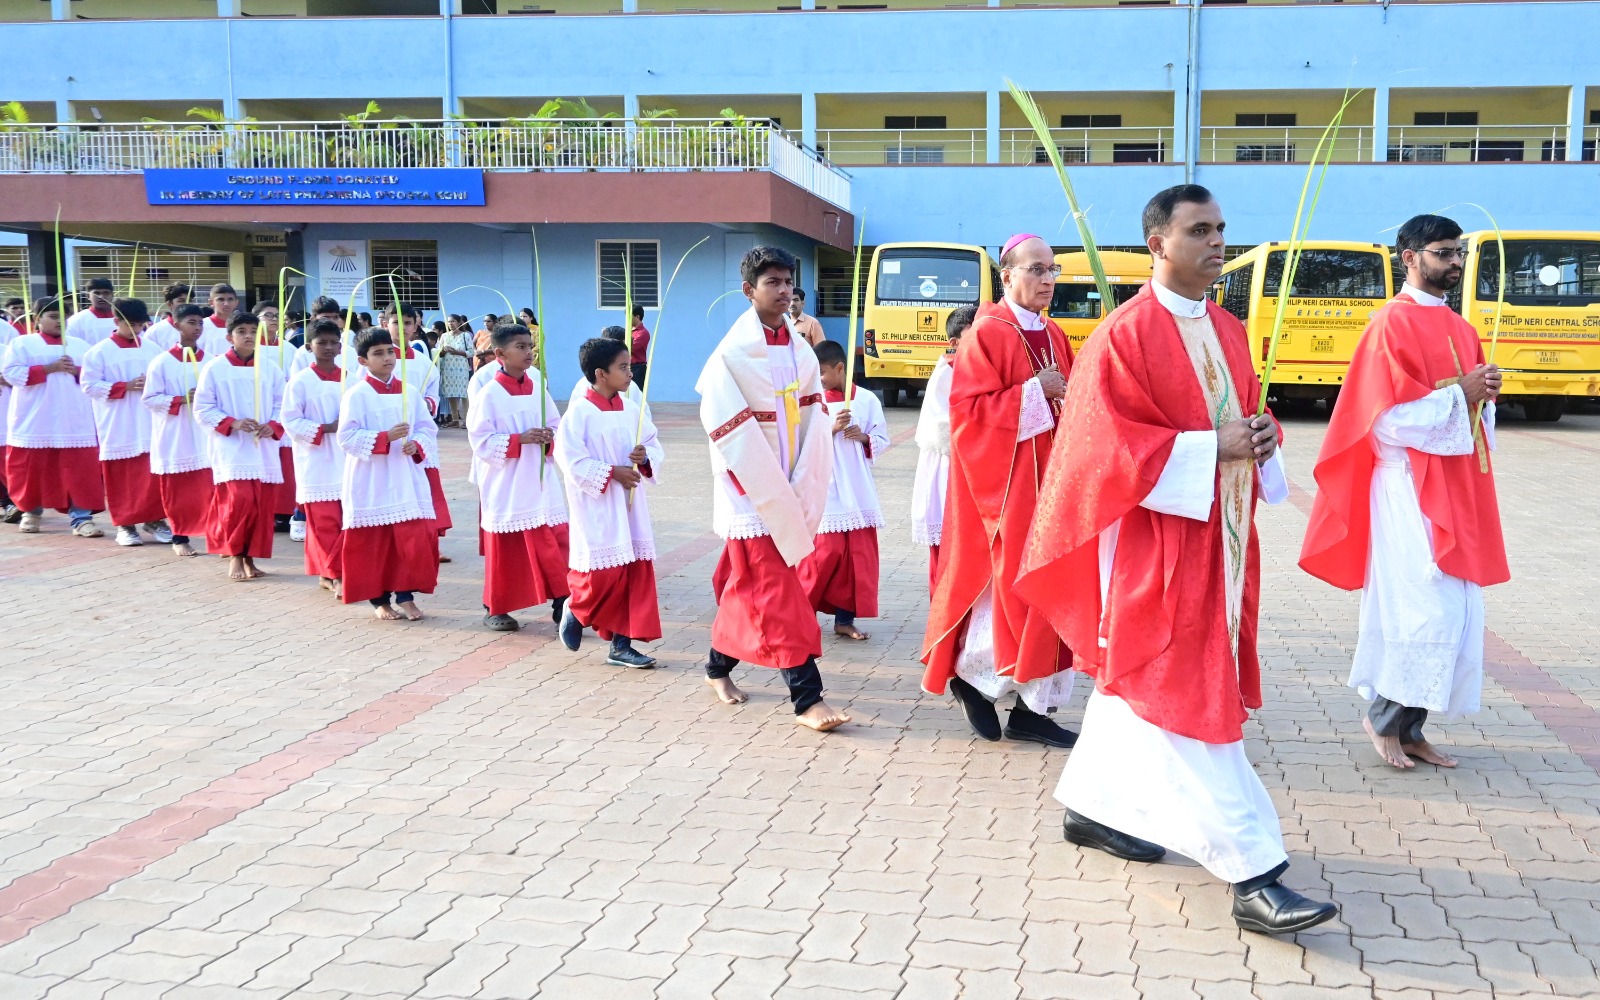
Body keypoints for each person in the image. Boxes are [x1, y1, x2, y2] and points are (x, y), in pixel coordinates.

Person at [1013, 184, 1335, 936]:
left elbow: (1242, 411)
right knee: (1186, 699)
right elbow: (1097, 452)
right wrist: (1205, 448)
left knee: (1139, 691)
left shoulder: (1227, 328)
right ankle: (1253, 872)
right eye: (1200, 230)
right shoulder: (1123, 335)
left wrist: (1259, 435)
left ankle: (1092, 811)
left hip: (1219, 545)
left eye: (1222, 227)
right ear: (1158, 242)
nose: (1217, 241)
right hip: (1156, 551)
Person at [1301, 214, 1509, 771]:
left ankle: (1414, 726)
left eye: (1459, 252)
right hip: (1404, 488)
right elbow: (1383, 422)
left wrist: (1484, 397)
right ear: (1409, 256)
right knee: (1421, 608)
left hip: (1453, 486)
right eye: (1444, 253)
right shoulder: (1388, 326)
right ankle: (1385, 720)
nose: (1456, 262)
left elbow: (1470, 418)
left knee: (1457, 611)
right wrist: (1457, 397)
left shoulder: (1461, 328)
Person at [919, 234, 1077, 749]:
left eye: (1052, 270)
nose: (1047, 280)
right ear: (1006, 276)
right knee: (1010, 592)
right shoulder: (988, 332)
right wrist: (1036, 393)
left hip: (1050, 488)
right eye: (1035, 270)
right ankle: (974, 680)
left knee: (1054, 593)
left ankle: (1035, 709)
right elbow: (967, 417)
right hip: (1004, 491)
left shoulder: (1054, 334)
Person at [695, 245, 849, 732]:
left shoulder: (801, 348)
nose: (784, 292)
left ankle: (717, 666)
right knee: (780, 590)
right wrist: (765, 484)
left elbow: (809, 417)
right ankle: (807, 697)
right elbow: (723, 426)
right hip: (751, 489)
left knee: (751, 587)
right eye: (772, 283)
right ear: (748, 291)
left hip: (791, 478)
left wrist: (806, 471)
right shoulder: (731, 353)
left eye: (788, 282)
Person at [554, 336, 664, 666]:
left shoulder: (633, 408)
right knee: (601, 573)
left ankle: (622, 644)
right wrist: (611, 472)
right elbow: (570, 460)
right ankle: (577, 608)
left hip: (631, 506)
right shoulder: (579, 414)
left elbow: (653, 444)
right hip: (598, 505)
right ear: (601, 374)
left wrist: (644, 458)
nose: (631, 372)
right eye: (624, 367)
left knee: (632, 572)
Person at [467, 323, 568, 631]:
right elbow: (480, 440)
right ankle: (496, 607)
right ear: (499, 354)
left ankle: (562, 602)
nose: (529, 352)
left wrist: (549, 436)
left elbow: (556, 423)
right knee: (508, 549)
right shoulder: (489, 394)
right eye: (520, 347)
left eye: (529, 346)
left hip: (539, 477)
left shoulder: (538, 386)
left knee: (556, 541)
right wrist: (518, 439)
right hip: (507, 481)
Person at [337, 327, 439, 622]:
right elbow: (346, 436)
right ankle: (379, 599)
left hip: (405, 476)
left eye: (390, 351)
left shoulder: (409, 391)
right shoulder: (356, 395)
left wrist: (416, 443)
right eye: (378, 353)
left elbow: (427, 428)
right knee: (375, 542)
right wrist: (384, 437)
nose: (387, 358)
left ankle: (406, 596)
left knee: (410, 539)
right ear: (363, 360)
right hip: (372, 478)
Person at [796, 339, 889, 642]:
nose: (817, 379)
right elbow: (799, 442)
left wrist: (863, 437)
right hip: (827, 486)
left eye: (821, 372)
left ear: (840, 368)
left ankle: (844, 619)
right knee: (823, 555)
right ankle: (799, 615)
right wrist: (831, 429)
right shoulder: (809, 401)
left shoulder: (866, 400)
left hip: (857, 485)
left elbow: (882, 439)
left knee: (856, 558)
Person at [194, 310, 286, 582]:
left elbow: (283, 404)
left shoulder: (270, 367)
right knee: (238, 502)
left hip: (262, 446)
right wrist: (231, 423)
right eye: (241, 331)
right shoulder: (215, 367)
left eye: (252, 331)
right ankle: (234, 554)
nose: (248, 336)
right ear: (228, 337)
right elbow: (202, 408)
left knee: (260, 505)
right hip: (232, 447)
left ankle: (250, 557)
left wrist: (273, 424)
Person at [2, 298, 105, 537]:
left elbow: (94, 379)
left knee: (79, 470)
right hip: (36, 417)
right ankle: (30, 512)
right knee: (31, 469)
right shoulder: (22, 344)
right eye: (53, 316)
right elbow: (12, 375)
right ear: (37, 319)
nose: (60, 321)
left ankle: (81, 518)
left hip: (74, 419)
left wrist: (77, 371)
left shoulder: (80, 346)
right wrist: (48, 368)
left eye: (63, 317)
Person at [81, 297, 170, 547]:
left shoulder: (153, 350)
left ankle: (155, 519)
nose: (135, 329)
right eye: (130, 324)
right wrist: (124, 386)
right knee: (121, 476)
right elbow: (88, 385)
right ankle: (125, 524)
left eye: (140, 324)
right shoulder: (98, 352)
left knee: (152, 475)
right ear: (116, 320)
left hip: (148, 421)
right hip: (117, 421)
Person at [281, 319, 348, 597]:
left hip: (345, 459)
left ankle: (332, 570)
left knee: (345, 519)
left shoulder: (351, 378)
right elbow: (290, 421)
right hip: (316, 458)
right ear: (309, 346)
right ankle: (333, 574)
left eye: (334, 342)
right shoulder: (300, 382)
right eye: (322, 343)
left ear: (341, 346)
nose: (329, 348)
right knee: (323, 520)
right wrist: (324, 428)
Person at [141, 303, 214, 557]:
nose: (197, 328)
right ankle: (180, 536)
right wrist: (182, 399)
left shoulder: (212, 362)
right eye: (191, 322)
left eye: (200, 323)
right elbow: (150, 398)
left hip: (205, 434)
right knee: (178, 490)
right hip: (176, 432)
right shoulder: (161, 362)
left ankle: (217, 538)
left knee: (210, 489)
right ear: (176, 324)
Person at [912, 305, 971, 594]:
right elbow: (943, 426)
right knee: (947, 549)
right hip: (947, 466)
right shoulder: (948, 371)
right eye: (975, 337)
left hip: (964, 465)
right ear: (954, 342)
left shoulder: (969, 367)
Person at [382, 304, 449, 551]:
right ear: (385, 324)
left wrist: (423, 406)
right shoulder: (375, 359)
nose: (402, 327)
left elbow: (434, 395)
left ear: (416, 325)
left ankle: (429, 542)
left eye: (408, 322)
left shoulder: (424, 361)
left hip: (418, 433)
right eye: (396, 322)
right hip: (389, 436)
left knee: (426, 488)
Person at [437, 314, 474, 428]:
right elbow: (440, 354)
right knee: (450, 393)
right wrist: (444, 350)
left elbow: (471, 352)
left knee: (464, 393)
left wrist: (457, 352)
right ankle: (455, 419)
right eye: (449, 322)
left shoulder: (465, 336)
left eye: (453, 321)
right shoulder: (444, 336)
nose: (450, 324)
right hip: (448, 367)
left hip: (461, 368)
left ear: (459, 322)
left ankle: (467, 420)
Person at [65, 277, 118, 345]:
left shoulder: (124, 319)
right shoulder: (77, 320)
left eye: (106, 293)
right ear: (87, 296)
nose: (101, 297)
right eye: (96, 293)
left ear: (112, 295)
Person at [142, 284, 192, 351]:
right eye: (181, 301)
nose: (187, 304)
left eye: (190, 300)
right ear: (169, 304)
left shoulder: (200, 328)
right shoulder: (155, 331)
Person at [198, 284, 239, 358]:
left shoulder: (242, 326)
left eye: (230, 299)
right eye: (221, 299)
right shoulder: (201, 325)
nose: (226, 304)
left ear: (236, 303)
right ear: (211, 303)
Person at [628, 304, 650, 389]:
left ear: (637, 316)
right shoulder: (629, 331)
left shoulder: (643, 333)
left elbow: (629, 348)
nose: (627, 319)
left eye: (630, 316)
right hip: (628, 367)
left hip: (637, 369)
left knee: (636, 393)